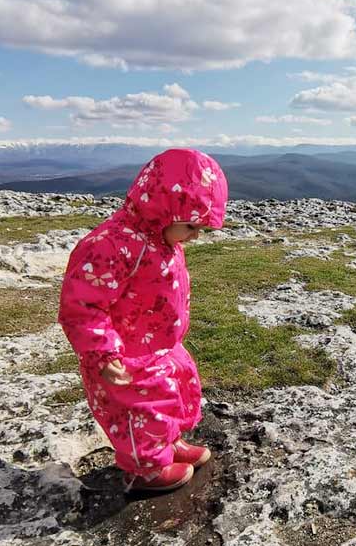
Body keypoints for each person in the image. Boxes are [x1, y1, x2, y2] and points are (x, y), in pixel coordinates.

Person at [58, 148, 229, 492]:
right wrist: (102, 354)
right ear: (164, 209)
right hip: (125, 355)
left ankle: (169, 446)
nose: (195, 235)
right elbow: (83, 306)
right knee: (140, 410)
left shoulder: (161, 239)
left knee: (172, 396)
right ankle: (144, 470)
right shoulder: (110, 246)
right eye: (192, 225)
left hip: (160, 344)